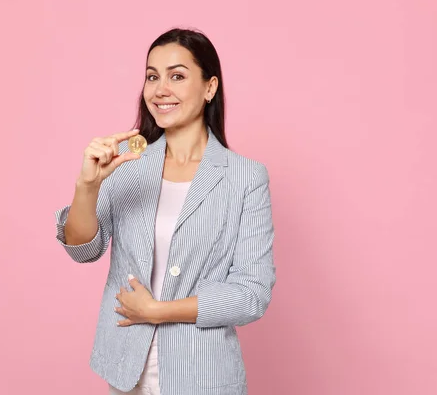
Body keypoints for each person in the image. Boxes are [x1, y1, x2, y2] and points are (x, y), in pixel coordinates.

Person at [55, 28, 276, 395]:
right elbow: (83, 249)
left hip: (204, 376)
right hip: (126, 372)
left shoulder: (246, 177)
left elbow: (252, 293)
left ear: (209, 87)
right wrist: (88, 185)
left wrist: (156, 311)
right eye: (152, 76)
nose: (160, 89)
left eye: (177, 76)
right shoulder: (128, 164)